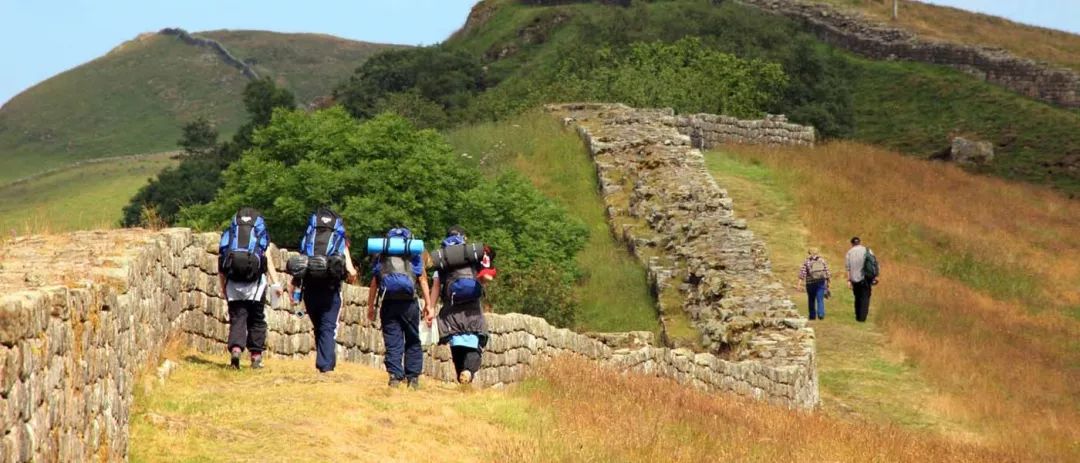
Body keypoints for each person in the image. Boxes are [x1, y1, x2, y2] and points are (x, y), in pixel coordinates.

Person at [289, 207, 358, 373]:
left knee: (319, 326)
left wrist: (294, 286)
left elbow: (301, 264)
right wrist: (352, 274)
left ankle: (326, 362)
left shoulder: (310, 238)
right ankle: (325, 366)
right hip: (331, 289)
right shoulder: (339, 242)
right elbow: (351, 271)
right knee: (328, 327)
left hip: (310, 289)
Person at [218, 207, 283, 370]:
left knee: (237, 318)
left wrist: (223, 287)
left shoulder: (230, 235)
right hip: (256, 286)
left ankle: (236, 349)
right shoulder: (260, 236)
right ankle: (255, 356)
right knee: (257, 320)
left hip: (233, 284)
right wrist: (276, 283)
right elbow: (268, 262)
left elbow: (221, 264)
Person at [367, 227, 432, 389]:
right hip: (409, 303)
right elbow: (423, 280)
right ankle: (413, 378)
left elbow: (374, 283)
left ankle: (395, 376)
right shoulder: (413, 255)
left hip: (388, 302)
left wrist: (370, 307)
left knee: (392, 340)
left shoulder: (382, 255)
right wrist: (428, 305)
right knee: (412, 339)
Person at [430, 226, 495, 385]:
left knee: (457, 345)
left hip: (451, 310)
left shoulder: (443, 258)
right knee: (475, 345)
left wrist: (430, 308)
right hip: (472, 310)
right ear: (464, 238)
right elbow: (486, 277)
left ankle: (463, 377)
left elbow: (437, 286)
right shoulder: (472, 255)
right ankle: (468, 372)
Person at [845, 236, 878, 322]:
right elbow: (874, 264)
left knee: (857, 297)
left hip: (854, 279)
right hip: (866, 278)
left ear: (852, 243)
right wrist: (875, 276)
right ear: (860, 242)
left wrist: (848, 280)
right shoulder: (867, 250)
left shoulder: (849, 253)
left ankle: (858, 315)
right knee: (865, 297)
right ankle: (862, 318)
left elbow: (848, 268)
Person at [796, 247, 830, 320]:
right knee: (820, 299)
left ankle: (812, 316)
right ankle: (821, 314)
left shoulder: (807, 261)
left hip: (810, 283)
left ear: (809, 253)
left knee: (811, 299)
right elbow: (827, 272)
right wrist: (827, 283)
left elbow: (803, 273)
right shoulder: (822, 260)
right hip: (821, 282)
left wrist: (799, 284)